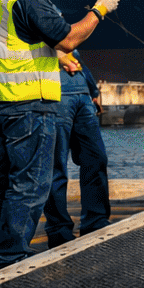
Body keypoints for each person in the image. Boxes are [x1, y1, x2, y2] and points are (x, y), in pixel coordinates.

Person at [0, 0, 120, 276]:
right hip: (25, 106)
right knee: (29, 187)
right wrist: (99, 10)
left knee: (1, 188)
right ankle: (10, 266)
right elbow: (67, 39)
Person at [42, 45, 111, 247]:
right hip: (54, 94)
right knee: (56, 167)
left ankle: (95, 221)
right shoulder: (31, 14)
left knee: (96, 157)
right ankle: (58, 229)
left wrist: (91, 89)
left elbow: (72, 51)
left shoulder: (54, 14)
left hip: (80, 94)